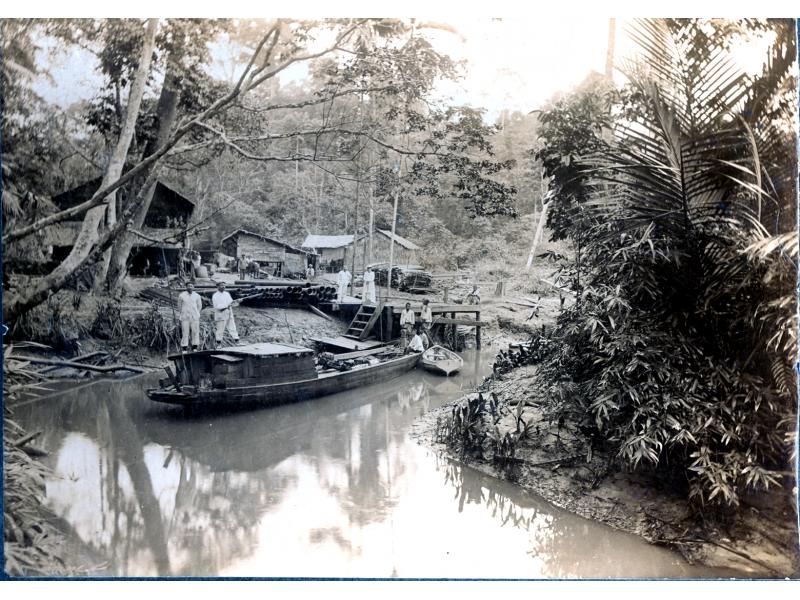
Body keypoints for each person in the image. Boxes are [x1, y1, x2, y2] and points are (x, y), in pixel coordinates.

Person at [212, 281, 240, 346]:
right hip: (221, 315)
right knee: (220, 330)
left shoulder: (227, 294)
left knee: (232, 327)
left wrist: (237, 301)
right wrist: (226, 306)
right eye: (221, 285)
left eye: (224, 285)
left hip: (229, 313)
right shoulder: (215, 296)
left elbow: (231, 303)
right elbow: (217, 307)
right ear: (217, 286)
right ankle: (218, 344)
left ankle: (237, 341)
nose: (223, 287)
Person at [178, 281, 203, 352]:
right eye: (188, 286)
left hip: (194, 317)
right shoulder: (182, 295)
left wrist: (196, 313)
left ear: (193, 287)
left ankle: (194, 347)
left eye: (191, 286)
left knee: (195, 332)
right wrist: (183, 312)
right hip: (185, 316)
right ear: (186, 287)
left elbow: (199, 306)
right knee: (185, 332)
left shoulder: (197, 296)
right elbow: (179, 306)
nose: (190, 287)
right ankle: (184, 348)